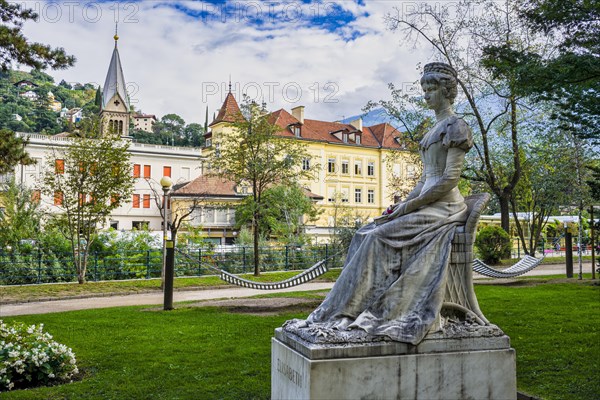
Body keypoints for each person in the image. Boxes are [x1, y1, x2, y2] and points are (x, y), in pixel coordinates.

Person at [288, 63, 473, 345]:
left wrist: (410, 207)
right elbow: (424, 179)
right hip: (427, 204)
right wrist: (401, 205)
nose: (426, 96)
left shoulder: (456, 126)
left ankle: (352, 313)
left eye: (431, 89)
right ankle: (339, 310)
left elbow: (448, 180)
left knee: (377, 237)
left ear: (447, 92)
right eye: (424, 90)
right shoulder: (432, 130)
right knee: (365, 232)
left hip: (445, 208)